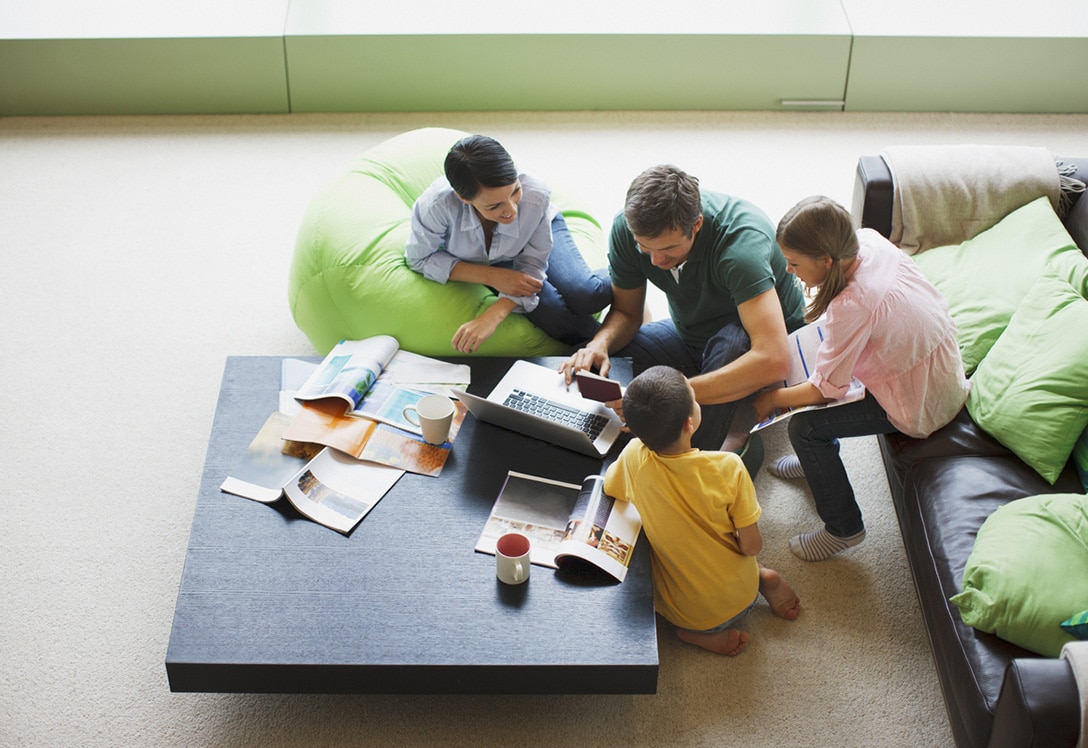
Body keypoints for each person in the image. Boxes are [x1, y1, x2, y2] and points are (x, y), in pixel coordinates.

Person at [754, 196, 970, 562]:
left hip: (919, 404)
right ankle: (815, 465)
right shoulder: (868, 240)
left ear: (826, 261)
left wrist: (772, 400)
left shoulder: (852, 305)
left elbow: (826, 389)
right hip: (941, 373)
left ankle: (844, 529)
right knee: (818, 372)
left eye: (794, 263)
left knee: (804, 429)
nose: (789, 271)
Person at [559, 165, 806, 457]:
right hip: (691, 333)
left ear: (697, 225)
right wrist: (600, 344)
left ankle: (696, 460)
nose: (655, 260)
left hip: (755, 346)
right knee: (590, 364)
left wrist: (672, 397)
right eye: (644, 247)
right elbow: (627, 313)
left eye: (668, 249)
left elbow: (772, 359)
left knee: (730, 344)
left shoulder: (741, 247)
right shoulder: (627, 230)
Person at [604, 365, 801, 656]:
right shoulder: (728, 467)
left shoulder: (634, 456)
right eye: (695, 399)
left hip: (694, 615)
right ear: (689, 423)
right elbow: (751, 545)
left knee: (663, 595)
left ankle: (698, 635)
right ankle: (762, 578)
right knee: (735, 557)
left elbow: (611, 487)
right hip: (743, 589)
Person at [406, 134, 611, 352]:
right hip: (489, 261)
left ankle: (629, 272)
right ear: (464, 198)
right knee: (551, 312)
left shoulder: (535, 195)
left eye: (515, 192)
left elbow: (533, 265)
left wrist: (495, 313)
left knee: (586, 294)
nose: (512, 211)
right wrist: (491, 276)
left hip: (537, 231)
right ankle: (611, 345)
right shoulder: (436, 206)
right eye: (494, 206)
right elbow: (419, 258)